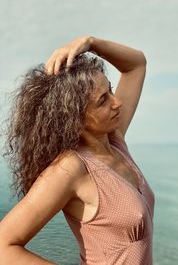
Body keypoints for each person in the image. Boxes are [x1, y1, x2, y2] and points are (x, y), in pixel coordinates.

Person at [0, 36, 155, 264]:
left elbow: (136, 65)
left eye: (110, 91)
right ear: (75, 118)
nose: (117, 102)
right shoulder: (71, 168)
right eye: (103, 100)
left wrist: (90, 42)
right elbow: (4, 245)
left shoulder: (115, 140)